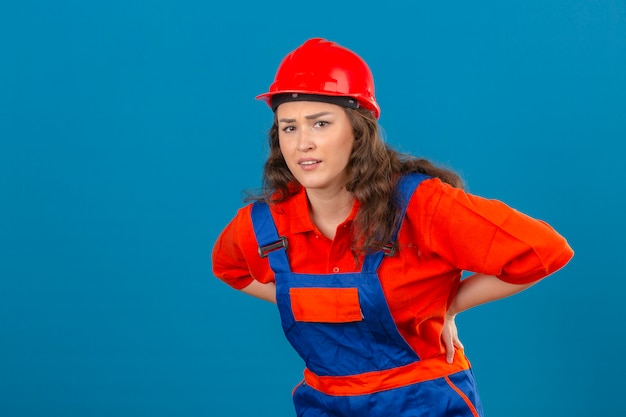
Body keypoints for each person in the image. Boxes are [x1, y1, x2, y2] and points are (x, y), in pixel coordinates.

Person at [212, 38, 574, 417]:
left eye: (321, 123)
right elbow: (229, 268)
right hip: (323, 405)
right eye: (289, 127)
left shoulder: (420, 206)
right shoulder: (266, 224)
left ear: (358, 131)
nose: (303, 143)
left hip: (421, 401)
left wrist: (444, 306)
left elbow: (543, 251)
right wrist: (298, 296)